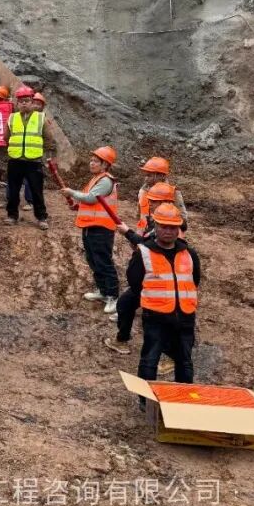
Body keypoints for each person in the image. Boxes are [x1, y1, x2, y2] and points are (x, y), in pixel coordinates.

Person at [105, 180, 184, 357]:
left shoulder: (169, 226)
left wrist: (128, 233)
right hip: (147, 280)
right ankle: (122, 340)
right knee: (125, 305)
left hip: (158, 282)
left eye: (154, 201)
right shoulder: (157, 221)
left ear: (165, 202)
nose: (151, 204)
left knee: (161, 319)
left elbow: (151, 246)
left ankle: (171, 356)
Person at [130, 204, 200, 387]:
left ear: (178, 229)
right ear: (155, 226)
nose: (168, 231)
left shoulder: (189, 254)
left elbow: (194, 281)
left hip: (185, 316)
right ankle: (146, 399)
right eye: (164, 226)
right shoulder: (143, 253)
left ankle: (183, 398)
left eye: (173, 227)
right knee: (150, 360)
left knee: (184, 361)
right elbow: (135, 284)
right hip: (156, 317)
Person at [63, 146, 120, 315]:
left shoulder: (106, 181)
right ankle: (103, 291)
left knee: (103, 262)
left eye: (96, 161)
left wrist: (71, 192)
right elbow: (90, 202)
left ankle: (113, 296)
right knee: (93, 261)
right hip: (90, 227)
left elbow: (90, 198)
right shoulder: (96, 179)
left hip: (101, 229)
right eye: (92, 160)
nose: (91, 163)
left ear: (105, 165)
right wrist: (77, 206)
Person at [4, 86, 49, 229]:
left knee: (37, 191)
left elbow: (49, 139)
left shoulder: (41, 118)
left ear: (32, 102)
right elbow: (6, 138)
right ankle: (12, 215)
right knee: (13, 190)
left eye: (27, 100)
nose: (24, 103)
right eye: (21, 101)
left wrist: (45, 156)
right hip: (15, 160)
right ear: (17, 103)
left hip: (33, 161)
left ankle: (41, 217)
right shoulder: (12, 118)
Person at [136, 157, 187, 232]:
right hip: (146, 232)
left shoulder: (173, 192)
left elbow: (182, 220)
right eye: (146, 175)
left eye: (149, 175)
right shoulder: (143, 191)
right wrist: (139, 234)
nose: (146, 178)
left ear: (161, 176)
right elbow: (140, 216)